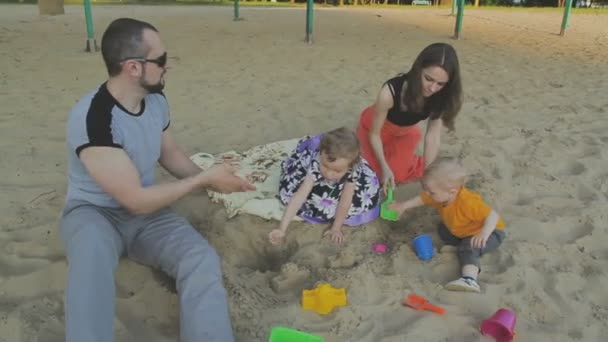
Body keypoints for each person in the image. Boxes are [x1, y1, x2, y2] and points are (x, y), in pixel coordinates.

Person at [60, 18, 255, 342]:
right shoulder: (93, 119)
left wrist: (214, 179)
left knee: (200, 258)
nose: (169, 66)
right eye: (162, 60)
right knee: (89, 268)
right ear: (134, 68)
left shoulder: (155, 100)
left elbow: (169, 153)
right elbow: (133, 199)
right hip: (94, 212)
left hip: (147, 214)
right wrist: (201, 180)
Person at [356, 42, 463, 194]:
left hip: (405, 133)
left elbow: (432, 135)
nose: (432, 88)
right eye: (428, 79)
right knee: (374, 174)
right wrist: (385, 168)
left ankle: (410, 162)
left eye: (440, 84)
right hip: (375, 129)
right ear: (418, 69)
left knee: (397, 176)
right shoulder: (389, 92)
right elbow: (374, 134)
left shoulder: (440, 96)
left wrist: (428, 172)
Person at [388, 157, 506, 293]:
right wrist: (403, 205)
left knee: (469, 248)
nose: (428, 194)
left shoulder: (468, 202)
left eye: (431, 192)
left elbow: (493, 216)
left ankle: (470, 279)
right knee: (443, 229)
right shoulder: (440, 194)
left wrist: (483, 233)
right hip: (461, 229)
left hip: (490, 232)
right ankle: (460, 244)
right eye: (426, 189)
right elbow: (422, 198)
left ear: (452, 192)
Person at [268, 127, 381, 245]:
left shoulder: (352, 169)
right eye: (325, 166)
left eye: (337, 171)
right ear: (321, 153)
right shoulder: (317, 162)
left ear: (350, 166)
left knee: (360, 200)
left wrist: (336, 228)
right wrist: (282, 229)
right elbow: (299, 197)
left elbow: (345, 201)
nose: (329, 173)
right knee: (293, 189)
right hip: (314, 175)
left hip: (347, 181)